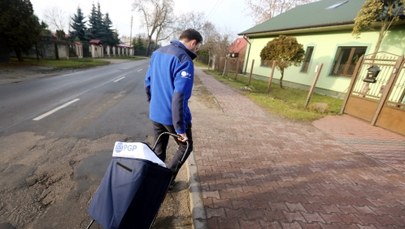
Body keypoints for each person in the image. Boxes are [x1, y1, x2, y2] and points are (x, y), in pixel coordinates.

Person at [144, 29, 203, 183]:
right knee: (185, 146)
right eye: (197, 47)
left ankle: (152, 180)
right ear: (193, 42)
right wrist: (180, 128)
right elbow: (180, 95)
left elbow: (147, 83)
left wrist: (153, 103)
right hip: (171, 116)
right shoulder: (184, 59)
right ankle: (166, 182)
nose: (196, 50)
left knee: (159, 150)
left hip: (156, 113)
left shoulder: (157, 53)